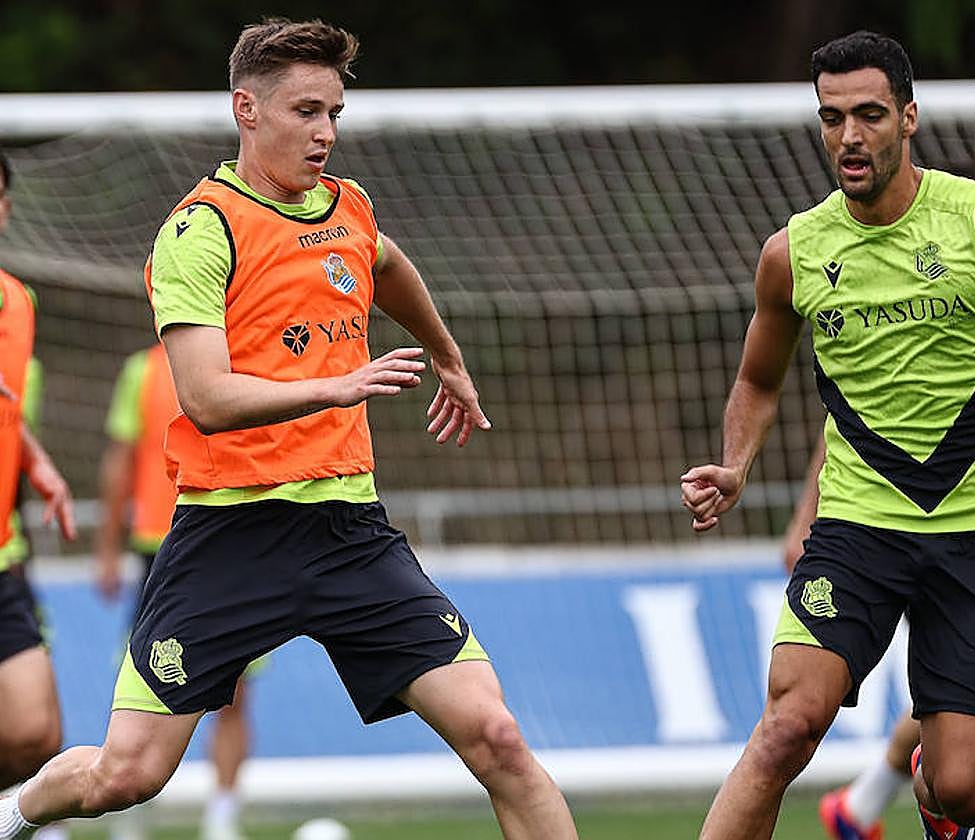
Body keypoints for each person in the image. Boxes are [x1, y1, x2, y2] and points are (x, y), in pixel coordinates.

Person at [0, 19, 577, 840]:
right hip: (229, 534)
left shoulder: (350, 207)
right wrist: (340, 384)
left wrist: (449, 358)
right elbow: (204, 397)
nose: (326, 133)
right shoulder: (201, 231)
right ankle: (15, 812)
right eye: (306, 111)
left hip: (349, 531)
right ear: (247, 107)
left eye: (335, 112)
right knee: (125, 776)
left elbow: (386, 264)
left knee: (500, 739)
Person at [679, 30, 975, 840]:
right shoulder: (792, 254)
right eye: (832, 118)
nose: (849, 136)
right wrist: (736, 463)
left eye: (868, 114)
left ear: (909, 118)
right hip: (857, 528)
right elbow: (758, 380)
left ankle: (939, 814)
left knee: (965, 789)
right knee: (788, 726)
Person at [804, 345, 975, 840]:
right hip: (894, 532)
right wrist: (806, 519)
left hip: (974, 532)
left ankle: (859, 805)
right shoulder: (889, 304)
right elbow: (849, 417)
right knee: (963, 691)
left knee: (949, 696)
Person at [95, 342, 256, 840]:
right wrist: (106, 548)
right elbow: (120, 461)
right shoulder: (141, 369)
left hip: (231, 543)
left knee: (235, 692)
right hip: (158, 548)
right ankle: (128, 814)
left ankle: (222, 820)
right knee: (139, 689)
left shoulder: (246, 357)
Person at [0, 149, 77, 795]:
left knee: (35, 735)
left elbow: (7, 406)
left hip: (1, 554)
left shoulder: (17, 301)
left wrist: (36, 458)